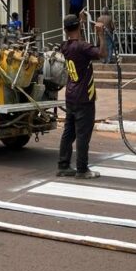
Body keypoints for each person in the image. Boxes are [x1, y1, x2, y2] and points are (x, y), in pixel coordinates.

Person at [57, 12, 108, 179]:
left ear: (65, 30)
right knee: (83, 135)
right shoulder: (82, 47)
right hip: (84, 97)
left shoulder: (65, 46)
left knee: (68, 132)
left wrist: (82, 23)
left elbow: (79, 43)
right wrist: (101, 35)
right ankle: (82, 169)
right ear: (78, 27)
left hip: (71, 94)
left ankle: (63, 165)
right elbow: (102, 54)